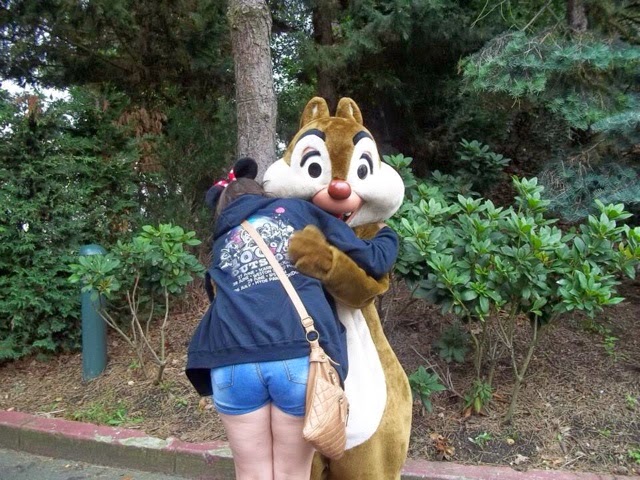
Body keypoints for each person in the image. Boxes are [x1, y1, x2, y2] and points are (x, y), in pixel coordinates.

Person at [186, 159, 398, 480]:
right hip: (296, 356)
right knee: (292, 473)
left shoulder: (222, 240)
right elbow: (372, 259)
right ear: (263, 194)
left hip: (231, 363)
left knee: (251, 473)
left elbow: (217, 300)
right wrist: (387, 236)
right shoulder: (296, 211)